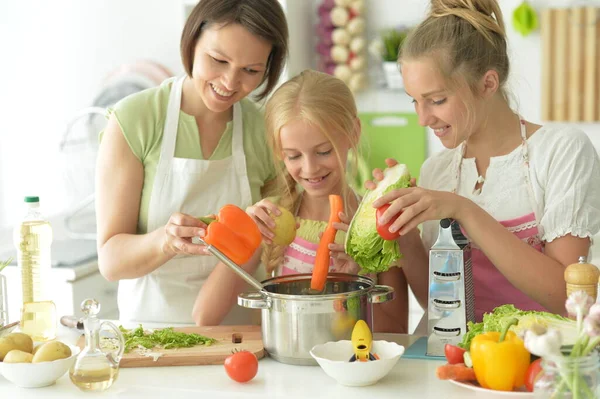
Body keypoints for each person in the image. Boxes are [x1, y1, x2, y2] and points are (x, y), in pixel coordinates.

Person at [368, 0, 600, 324]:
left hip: (539, 363)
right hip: (458, 361)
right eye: (415, 101)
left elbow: (566, 297)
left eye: (436, 100)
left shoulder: (561, 152)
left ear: (487, 84)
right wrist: (403, 228)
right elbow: (437, 305)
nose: (422, 118)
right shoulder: (437, 171)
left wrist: (463, 209)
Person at [95, 0, 289, 324]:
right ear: (192, 40)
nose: (229, 82)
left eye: (251, 71)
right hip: (153, 336)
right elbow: (111, 262)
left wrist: (270, 233)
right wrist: (165, 241)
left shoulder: (266, 129)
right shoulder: (136, 120)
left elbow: (280, 252)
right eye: (218, 60)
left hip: (241, 338)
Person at [193, 70, 410, 333]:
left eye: (323, 151)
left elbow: (397, 332)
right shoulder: (272, 219)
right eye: (293, 156)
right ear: (278, 151)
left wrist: (355, 284)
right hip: (285, 366)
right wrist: (247, 234)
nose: (310, 168)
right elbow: (205, 315)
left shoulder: (379, 224)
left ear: (352, 133)